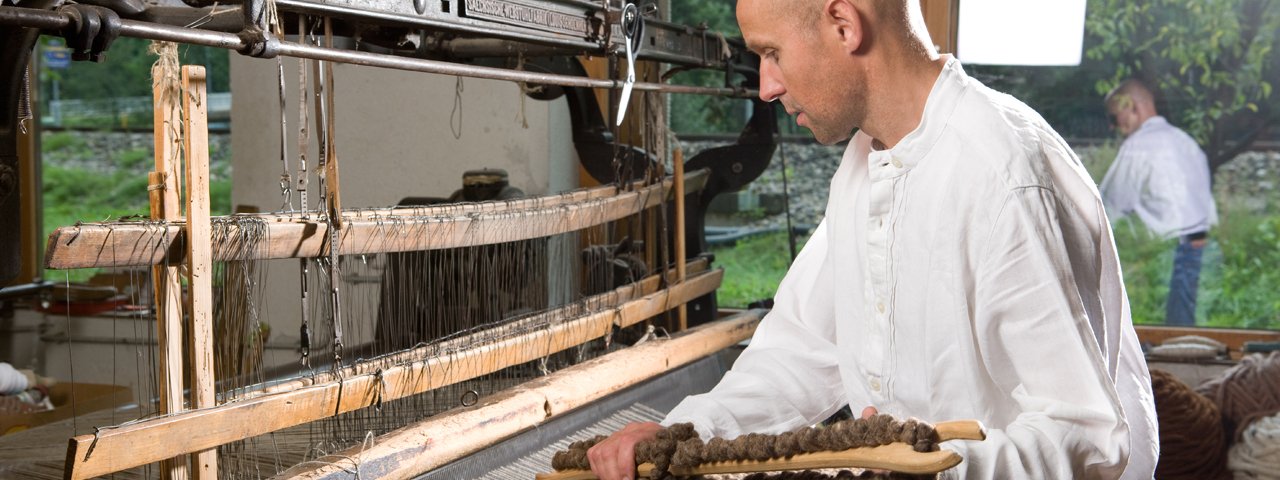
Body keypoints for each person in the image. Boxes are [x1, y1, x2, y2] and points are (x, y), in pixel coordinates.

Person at [586, 0, 1159, 478]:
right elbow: (803, 349)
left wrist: (930, 472)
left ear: (844, 24)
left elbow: (1089, 436)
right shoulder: (866, 162)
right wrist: (685, 434)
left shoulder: (1005, 177)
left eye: (771, 52)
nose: (766, 87)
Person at [1099, 79, 1218, 327]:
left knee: (1159, 334)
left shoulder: (1138, 147)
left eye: (1114, 116)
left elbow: (1108, 207)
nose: (1113, 126)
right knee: (1184, 333)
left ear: (1131, 107)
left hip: (1168, 253)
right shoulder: (1184, 140)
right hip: (1202, 248)